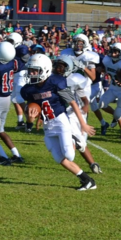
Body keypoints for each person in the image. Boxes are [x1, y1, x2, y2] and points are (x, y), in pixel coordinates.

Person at [22, 54, 97, 191]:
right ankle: (87, 181)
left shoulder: (56, 82)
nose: (31, 73)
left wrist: (83, 124)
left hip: (60, 121)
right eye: (30, 70)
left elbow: (73, 103)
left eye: (35, 70)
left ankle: (74, 139)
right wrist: (31, 119)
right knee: (59, 158)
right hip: (47, 126)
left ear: (44, 70)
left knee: (69, 155)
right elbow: (31, 113)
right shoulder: (28, 89)